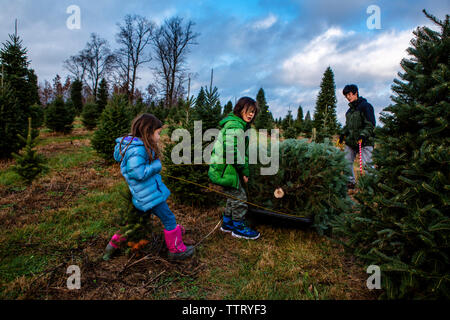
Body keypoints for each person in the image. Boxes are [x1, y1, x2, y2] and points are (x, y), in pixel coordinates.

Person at [103, 113, 194, 260]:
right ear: (148, 131)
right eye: (158, 133)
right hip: (150, 196)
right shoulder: (138, 149)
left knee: (133, 223)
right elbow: (138, 173)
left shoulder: (135, 146)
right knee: (169, 219)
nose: (159, 137)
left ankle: (111, 247)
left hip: (142, 196)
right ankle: (176, 251)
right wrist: (156, 166)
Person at [208, 97, 261, 240]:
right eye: (248, 111)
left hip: (227, 168)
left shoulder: (238, 125)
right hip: (225, 169)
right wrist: (244, 171)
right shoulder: (235, 126)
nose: (251, 114)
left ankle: (227, 224)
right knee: (240, 198)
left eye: (253, 112)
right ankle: (239, 228)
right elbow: (233, 152)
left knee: (233, 197)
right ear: (240, 109)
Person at [338, 84, 376, 189]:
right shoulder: (349, 111)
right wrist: (343, 134)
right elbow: (348, 126)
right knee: (346, 162)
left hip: (365, 141)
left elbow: (370, 124)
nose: (348, 97)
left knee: (367, 165)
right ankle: (350, 182)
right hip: (351, 142)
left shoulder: (366, 106)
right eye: (346, 96)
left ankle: (372, 185)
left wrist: (363, 136)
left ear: (356, 93)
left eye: (350, 94)